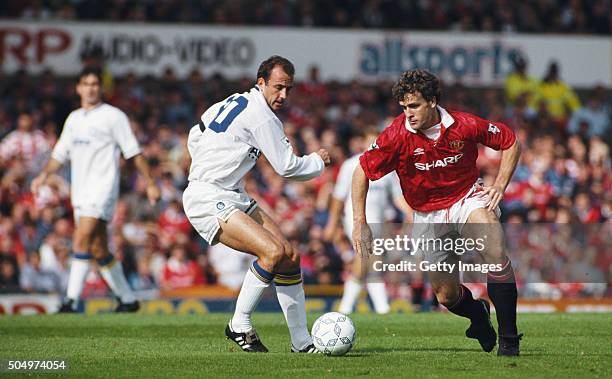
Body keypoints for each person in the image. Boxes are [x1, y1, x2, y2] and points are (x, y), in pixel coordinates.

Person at [351, 69, 523, 356]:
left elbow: (510, 141)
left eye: (414, 105)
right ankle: (478, 315)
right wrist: (360, 222)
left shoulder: (464, 124)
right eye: (404, 107)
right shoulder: (395, 135)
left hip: (466, 199)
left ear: (432, 101)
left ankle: (509, 340)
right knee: (446, 296)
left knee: (492, 241)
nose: (409, 113)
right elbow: (361, 171)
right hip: (427, 215)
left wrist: (500, 185)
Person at [183, 56, 330, 353]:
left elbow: (196, 134)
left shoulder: (234, 101)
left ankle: (301, 342)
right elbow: (287, 166)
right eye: (278, 88)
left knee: (289, 255)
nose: (283, 96)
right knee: (272, 252)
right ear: (260, 82)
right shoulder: (262, 116)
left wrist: (210, 162)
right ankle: (239, 324)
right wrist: (318, 161)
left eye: (289, 89)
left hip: (229, 192)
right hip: (208, 196)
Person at [31, 66, 160, 313]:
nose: (90, 88)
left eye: (95, 84)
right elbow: (59, 154)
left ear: (101, 88)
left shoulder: (114, 116)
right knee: (99, 248)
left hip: (102, 189)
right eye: (86, 83)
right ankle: (127, 299)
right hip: (80, 192)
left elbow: (134, 152)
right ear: (78, 88)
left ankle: (70, 300)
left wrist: (151, 183)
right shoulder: (74, 119)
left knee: (81, 239)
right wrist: (44, 175)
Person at [324, 128, 409, 314]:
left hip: (378, 223)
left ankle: (378, 308)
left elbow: (397, 197)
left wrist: (410, 213)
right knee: (365, 259)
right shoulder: (351, 165)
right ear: (363, 143)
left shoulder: (388, 169)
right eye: (370, 141)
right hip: (356, 220)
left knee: (372, 263)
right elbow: (338, 198)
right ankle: (350, 307)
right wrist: (332, 223)